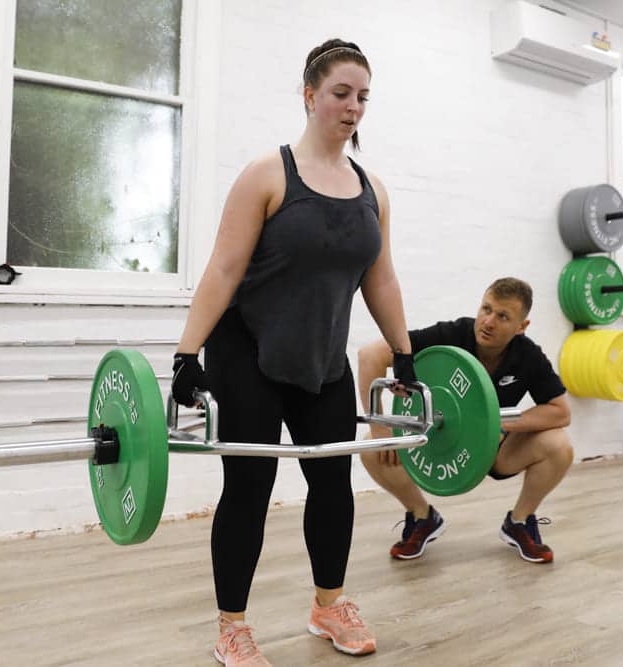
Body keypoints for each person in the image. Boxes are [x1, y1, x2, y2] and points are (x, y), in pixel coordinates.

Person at [171, 38, 418, 666]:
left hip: (321, 360)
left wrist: (403, 351)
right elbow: (224, 270)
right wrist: (186, 354)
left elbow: (380, 278)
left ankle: (328, 605)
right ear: (310, 96)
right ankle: (232, 626)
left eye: (363, 96)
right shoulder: (267, 175)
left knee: (332, 482)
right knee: (249, 488)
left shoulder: (372, 190)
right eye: (341, 93)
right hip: (247, 351)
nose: (353, 106)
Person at [358, 277, 574, 564]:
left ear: (521, 327)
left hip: (495, 450)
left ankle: (520, 521)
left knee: (559, 444)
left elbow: (561, 411)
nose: (489, 321)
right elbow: (370, 354)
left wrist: (496, 422)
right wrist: (380, 428)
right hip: (436, 443)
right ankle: (422, 518)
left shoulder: (528, 356)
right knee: (371, 446)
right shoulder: (453, 334)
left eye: (503, 316)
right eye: (486, 309)